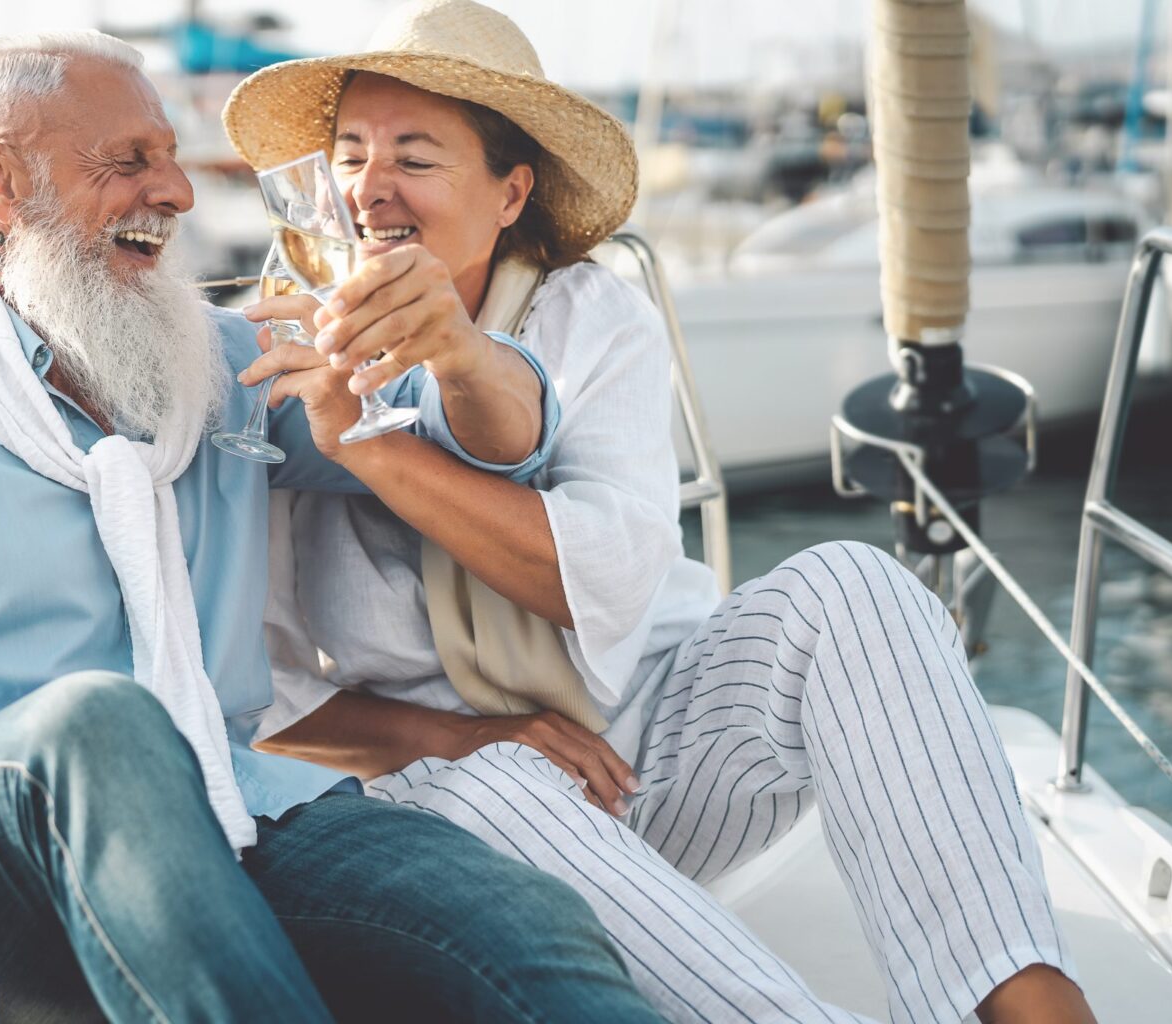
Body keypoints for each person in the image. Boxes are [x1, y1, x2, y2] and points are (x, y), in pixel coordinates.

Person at [0, 29, 665, 1024]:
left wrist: (462, 354)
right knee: (103, 722)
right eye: (129, 161)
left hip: (229, 816)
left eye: (173, 161)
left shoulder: (221, 370)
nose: (177, 194)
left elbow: (495, 444)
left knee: (510, 915)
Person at [226, 2, 1099, 1023]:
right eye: (350, 154)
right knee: (500, 781)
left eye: (415, 156)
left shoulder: (590, 317)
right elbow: (263, 703)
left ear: (512, 193)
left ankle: (1030, 1003)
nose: (371, 186)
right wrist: (462, 736)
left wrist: (389, 423)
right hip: (445, 787)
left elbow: (594, 574)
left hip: (644, 747)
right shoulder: (281, 362)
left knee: (858, 584)